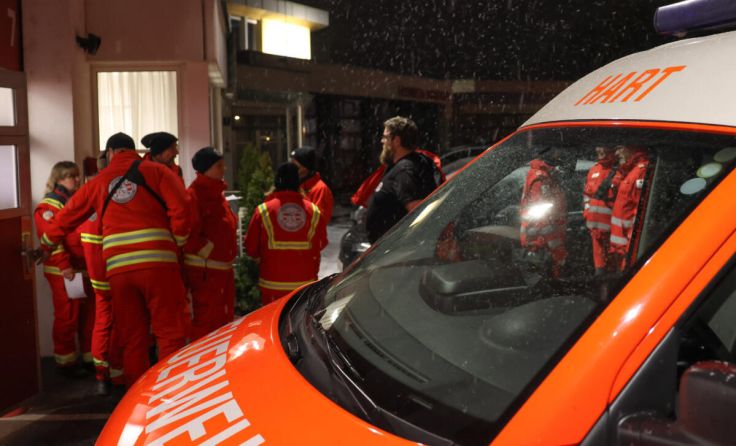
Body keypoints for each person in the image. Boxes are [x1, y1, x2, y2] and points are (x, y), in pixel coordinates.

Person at [38, 132, 191, 387]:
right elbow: (182, 207)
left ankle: (136, 394)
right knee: (169, 333)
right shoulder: (158, 172)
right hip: (159, 266)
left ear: (110, 153)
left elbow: (67, 217)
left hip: (119, 272)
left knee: (132, 337)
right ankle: (171, 392)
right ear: (134, 151)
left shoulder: (97, 182)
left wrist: (45, 244)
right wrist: (179, 239)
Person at [34, 161, 95, 376]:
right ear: (58, 179)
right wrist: (64, 266)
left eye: (77, 175)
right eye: (71, 176)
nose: (77, 180)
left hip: (83, 268)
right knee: (67, 317)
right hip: (63, 271)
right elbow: (52, 240)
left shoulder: (75, 201)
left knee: (89, 316)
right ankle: (66, 363)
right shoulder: (47, 207)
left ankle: (90, 358)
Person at [244, 163, 328, 305]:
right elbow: (322, 243)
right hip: (304, 286)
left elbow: (251, 247)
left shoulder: (263, 210)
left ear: (277, 182)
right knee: (300, 319)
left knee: (274, 319)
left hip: (272, 285)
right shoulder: (313, 211)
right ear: (298, 183)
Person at [79, 156, 124, 395]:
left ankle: (101, 373)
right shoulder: (110, 197)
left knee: (102, 321)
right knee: (118, 323)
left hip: (96, 273)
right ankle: (117, 374)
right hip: (113, 269)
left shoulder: (87, 197)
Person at [183, 147, 238, 340]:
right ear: (206, 169)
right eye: (219, 166)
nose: (224, 169)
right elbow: (188, 234)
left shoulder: (217, 194)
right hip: (206, 274)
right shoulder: (194, 196)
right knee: (206, 323)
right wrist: (210, 251)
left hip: (220, 272)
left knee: (223, 321)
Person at [365, 116, 443, 243]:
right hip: (391, 247)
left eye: (385, 137)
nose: (382, 141)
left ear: (396, 140)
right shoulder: (410, 164)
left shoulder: (404, 170)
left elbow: (420, 212)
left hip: (395, 249)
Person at [519, 148, 568, 278]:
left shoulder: (538, 174)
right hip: (542, 234)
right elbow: (543, 212)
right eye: (555, 152)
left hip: (538, 234)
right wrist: (556, 249)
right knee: (551, 270)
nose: (558, 155)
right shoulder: (541, 177)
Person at [609, 144, 650, 271]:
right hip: (621, 249)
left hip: (629, 250)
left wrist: (631, 244)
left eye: (620, 148)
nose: (616, 153)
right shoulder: (630, 171)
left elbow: (641, 212)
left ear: (632, 148)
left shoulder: (641, 171)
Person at [583, 145, 618, 275]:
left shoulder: (618, 170)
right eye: (598, 148)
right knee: (599, 266)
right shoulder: (594, 169)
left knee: (613, 264)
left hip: (613, 228)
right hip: (594, 227)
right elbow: (587, 195)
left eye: (603, 148)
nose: (599, 151)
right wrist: (587, 212)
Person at [291, 146, 334, 224]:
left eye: (295, 166)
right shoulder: (297, 184)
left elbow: (318, 219)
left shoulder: (320, 189)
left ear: (305, 168)